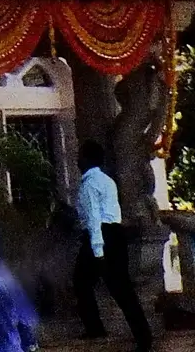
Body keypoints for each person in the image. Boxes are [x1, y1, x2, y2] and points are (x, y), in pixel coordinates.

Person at [74, 139, 152, 352]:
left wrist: (98, 251)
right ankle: (143, 334)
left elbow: (93, 217)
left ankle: (96, 327)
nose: (77, 160)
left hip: (101, 235)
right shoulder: (108, 180)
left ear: (88, 159)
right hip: (116, 235)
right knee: (121, 287)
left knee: (82, 281)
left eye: (80, 155)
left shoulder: (89, 184)